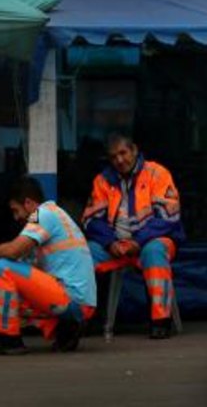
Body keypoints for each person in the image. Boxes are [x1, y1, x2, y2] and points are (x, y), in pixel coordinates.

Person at [0, 175, 96, 355]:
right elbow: (24, 271)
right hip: (79, 302)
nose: (16, 217)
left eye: (16, 210)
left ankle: (6, 339)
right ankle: (65, 328)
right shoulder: (54, 214)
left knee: (3, 268)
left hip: (71, 298)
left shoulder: (41, 214)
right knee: (6, 277)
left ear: (28, 203)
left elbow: (13, 251)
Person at [82, 133, 185, 339]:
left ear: (135, 150)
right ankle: (80, 319)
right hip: (116, 246)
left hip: (150, 241)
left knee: (155, 251)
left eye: (123, 153)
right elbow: (90, 220)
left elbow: (169, 217)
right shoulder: (102, 180)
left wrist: (138, 242)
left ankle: (160, 321)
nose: (119, 160)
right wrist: (110, 243)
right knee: (84, 255)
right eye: (113, 157)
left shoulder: (157, 173)